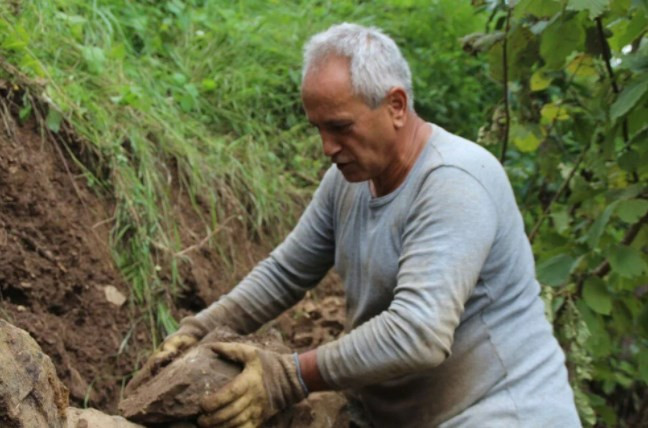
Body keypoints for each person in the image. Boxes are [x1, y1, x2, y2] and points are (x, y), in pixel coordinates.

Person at [144, 23, 581, 427]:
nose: (327, 147)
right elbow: (284, 274)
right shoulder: (349, 181)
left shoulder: (454, 182)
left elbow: (418, 333)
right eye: (317, 128)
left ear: (395, 105)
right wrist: (197, 330)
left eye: (340, 127)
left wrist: (290, 376)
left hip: (502, 413)